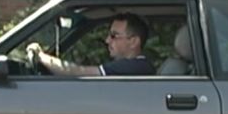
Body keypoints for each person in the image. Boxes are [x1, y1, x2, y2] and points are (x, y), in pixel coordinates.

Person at [26, 13, 155, 76]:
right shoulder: (138, 67)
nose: (107, 40)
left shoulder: (135, 67)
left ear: (134, 42)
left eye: (114, 36)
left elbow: (79, 72)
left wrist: (41, 56)